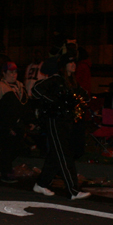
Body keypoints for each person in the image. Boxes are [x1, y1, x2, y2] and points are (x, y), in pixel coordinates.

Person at [31, 52, 91, 200]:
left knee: (56, 154)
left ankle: (41, 183)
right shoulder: (56, 79)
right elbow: (36, 90)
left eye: (74, 63)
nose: (73, 65)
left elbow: (83, 96)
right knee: (64, 154)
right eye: (70, 63)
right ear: (63, 66)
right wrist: (53, 101)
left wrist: (83, 99)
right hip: (54, 121)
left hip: (66, 122)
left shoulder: (72, 82)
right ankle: (73, 190)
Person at [0, 61, 35, 182]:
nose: (13, 75)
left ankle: (3, 166)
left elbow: (25, 105)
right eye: (11, 72)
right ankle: (5, 172)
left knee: (18, 146)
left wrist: (30, 120)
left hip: (17, 123)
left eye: (15, 72)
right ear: (4, 73)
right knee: (7, 148)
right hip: (5, 124)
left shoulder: (19, 86)